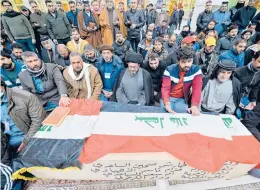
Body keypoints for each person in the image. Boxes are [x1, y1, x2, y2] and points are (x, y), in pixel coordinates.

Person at [0, 78, 46, 153]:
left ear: (2, 85)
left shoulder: (26, 97)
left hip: (28, 137)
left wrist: (26, 141)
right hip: (6, 142)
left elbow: (39, 120)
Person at [161, 46, 202, 115]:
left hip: (182, 99)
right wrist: (166, 102)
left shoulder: (196, 70)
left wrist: (194, 105)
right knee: (165, 113)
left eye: (189, 61)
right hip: (168, 97)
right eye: (183, 62)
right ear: (178, 61)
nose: (187, 64)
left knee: (182, 115)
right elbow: (165, 88)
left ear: (192, 60)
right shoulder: (169, 70)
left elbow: (197, 89)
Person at [234, 51, 260, 118]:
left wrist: (253, 101)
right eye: (259, 62)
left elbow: (255, 88)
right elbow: (233, 89)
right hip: (235, 97)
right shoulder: (239, 72)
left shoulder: (259, 74)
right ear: (253, 60)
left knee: (249, 115)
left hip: (246, 98)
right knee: (238, 115)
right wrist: (238, 101)